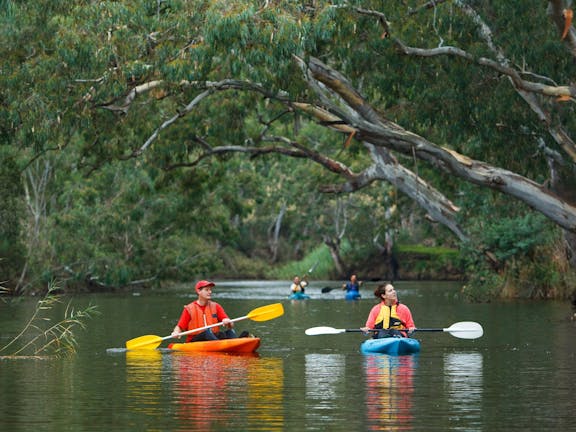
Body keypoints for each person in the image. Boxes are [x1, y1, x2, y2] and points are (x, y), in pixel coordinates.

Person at [171, 280, 237, 342]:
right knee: (207, 333)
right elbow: (179, 327)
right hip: (195, 340)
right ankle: (221, 344)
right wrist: (176, 332)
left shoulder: (216, 306)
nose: (210, 292)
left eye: (210, 290)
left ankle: (238, 342)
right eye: (207, 290)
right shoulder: (189, 309)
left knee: (230, 332)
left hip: (212, 337)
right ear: (199, 291)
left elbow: (230, 325)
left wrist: (228, 322)